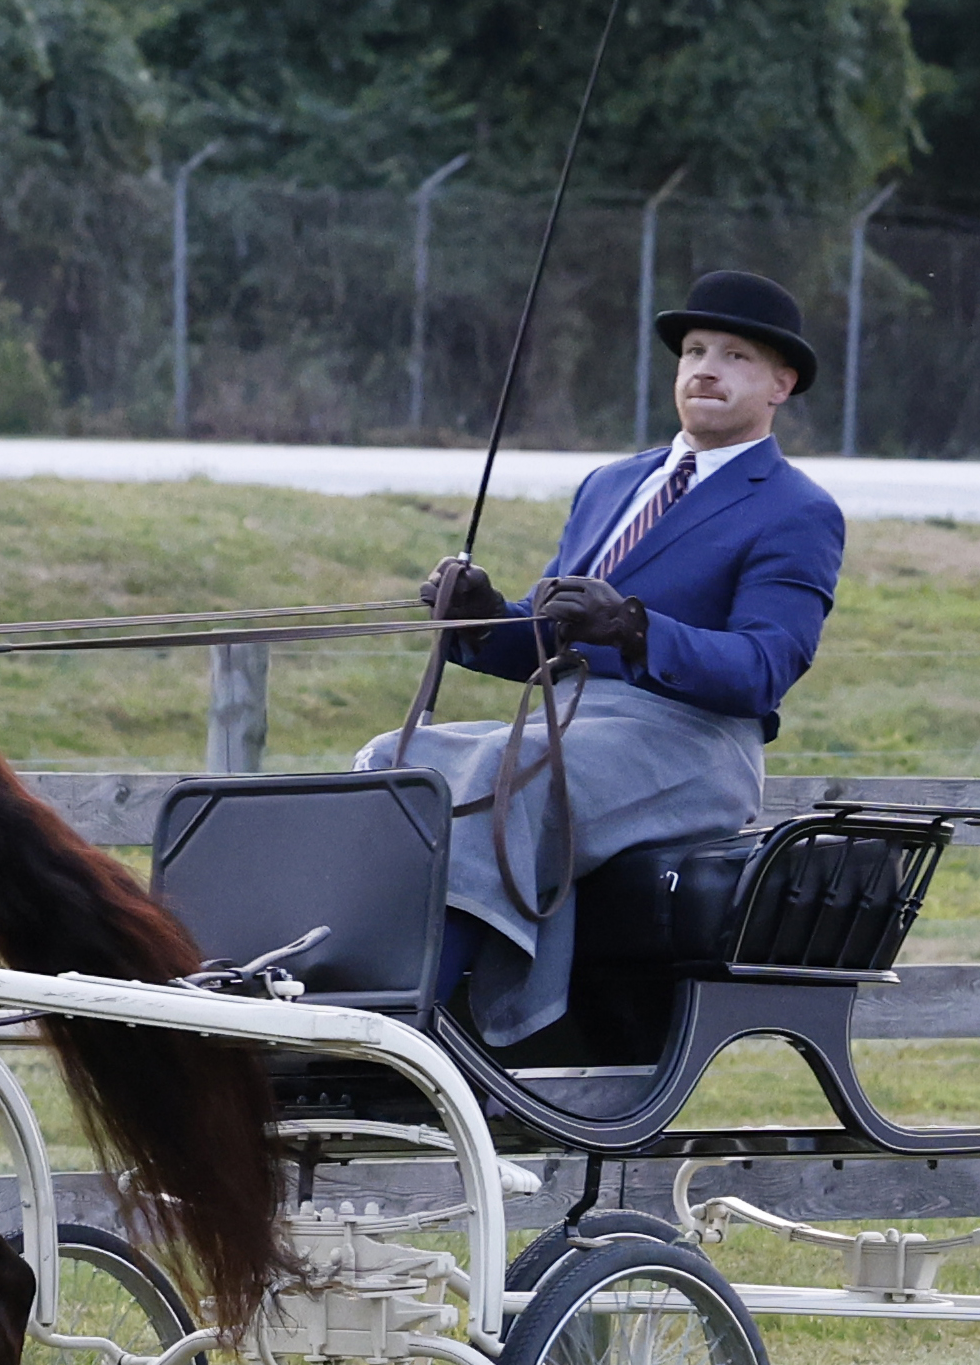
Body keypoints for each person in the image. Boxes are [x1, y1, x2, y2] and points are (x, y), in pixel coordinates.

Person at [361, 267, 845, 1046]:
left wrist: (635, 628)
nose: (705, 370)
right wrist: (480, 619)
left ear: (780, 384)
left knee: (509, 776)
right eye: (693, 351)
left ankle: (412, 1029)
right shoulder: (610, 484)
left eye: (735, 356)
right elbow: (550, 638)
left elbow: (764, 667)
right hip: (573, 721)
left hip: (694, 742)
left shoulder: (796, 508)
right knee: (394, 759)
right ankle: (351, 986)